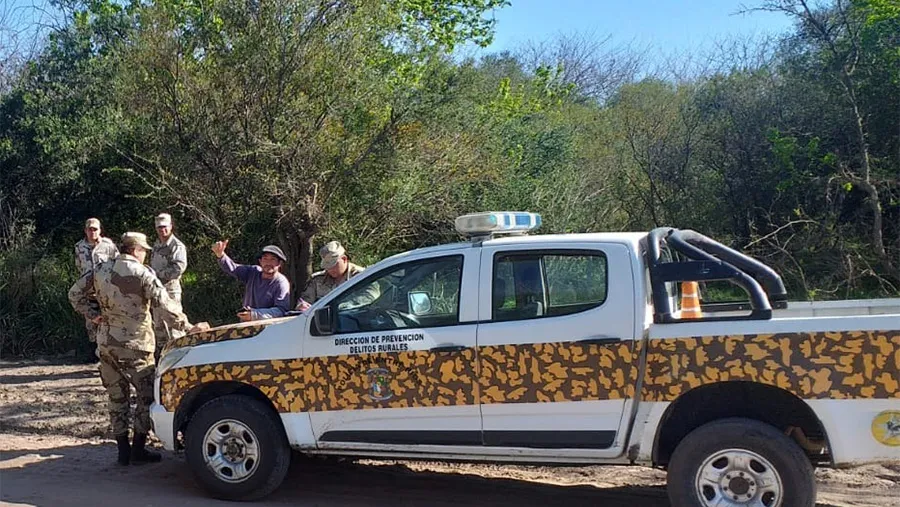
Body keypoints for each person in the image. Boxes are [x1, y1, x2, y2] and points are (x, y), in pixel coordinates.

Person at [68, 232, 208, 466]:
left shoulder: (101, 269)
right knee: (146, 396)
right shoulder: (143, 273)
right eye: (144, 251)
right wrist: (189, 326)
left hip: (106, 343)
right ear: (136, 250)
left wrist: (94, 316)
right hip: (136, 346)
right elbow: (165, 306)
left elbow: (74, 294)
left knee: (116, 397)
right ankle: (138, 450)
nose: (145, 255)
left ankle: (122, 450)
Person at [212, 240, 291, 321]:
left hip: (269, 329)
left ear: (279, 263)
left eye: (273, 259)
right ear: (260, 261)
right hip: (246, 327)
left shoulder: (281, 282)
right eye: (265, 259)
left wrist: (254, 314)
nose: (268, 263)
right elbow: (233, 269)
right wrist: (221, 255)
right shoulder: (253, 272)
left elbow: (281, 310)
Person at [73, 218, 119, 357]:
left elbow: (116, 264)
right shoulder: (79, 247)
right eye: (89, 229)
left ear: (100, 230)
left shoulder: (108, 245)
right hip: (89, 292)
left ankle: (108, 353)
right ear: (85, 230)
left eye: (95, 229)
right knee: (92, 323)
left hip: (105, 290)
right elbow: (78, 265)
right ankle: (96, 353)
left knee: (109, 321)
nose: (92, 232)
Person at [296, 241, 377, 311]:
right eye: (327, 266)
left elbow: (370, 297)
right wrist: (301, 306)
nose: (330, 269)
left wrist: (340, 307)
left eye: (333, 265)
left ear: (344, 259)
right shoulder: (317, 280)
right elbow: (305, 301)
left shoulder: (362, 276)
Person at [150, 213, 188, 358]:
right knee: (159, 326)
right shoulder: (156, 245)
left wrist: (157, 274)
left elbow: (178, 268)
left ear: (171, 226)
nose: (162, 230)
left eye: (165, 227)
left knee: (174, 324)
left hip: (170, 290)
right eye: (159, 227)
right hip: (156, 291)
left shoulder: (176, 246)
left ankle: (180, 358)